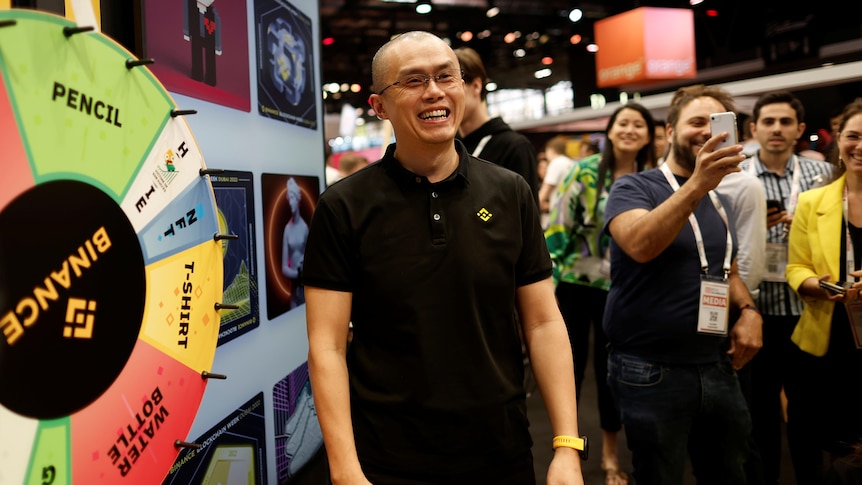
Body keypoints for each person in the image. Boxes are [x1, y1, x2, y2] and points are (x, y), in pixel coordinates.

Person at [303, 31, 585, 485]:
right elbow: (328, 346)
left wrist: (567, 445)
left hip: (501, 450)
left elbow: (543, 323)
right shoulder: (343, 206)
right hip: (387, 458)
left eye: (445, 77)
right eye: (413, 81)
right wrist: (345, 470)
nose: (434, 92)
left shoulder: (511, 191)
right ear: (379, 106)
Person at [602, 84, 763, 484]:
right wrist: (697, 185)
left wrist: (747, 310)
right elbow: (639, 245)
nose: (707, 132)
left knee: (730, 473)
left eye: (718, 125)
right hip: (650, 369)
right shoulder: (634, 187)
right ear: (670, 132)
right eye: (696, 123)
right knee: (660, 476)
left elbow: (726, 268)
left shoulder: (716, 200)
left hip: (716, 365)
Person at [545, 102, 656, 485]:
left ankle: (610, 456)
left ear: (649, 134)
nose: (629, 130)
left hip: (627, 290)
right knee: (569, 371)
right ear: (609, 131)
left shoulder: (652, 177)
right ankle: (567, 453)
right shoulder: (584, 172)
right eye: (622, 123)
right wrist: (549, 287)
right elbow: (558, 228)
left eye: (638, 124)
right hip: (576, 285)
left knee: (611, 376)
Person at [738, 90, 836, 485]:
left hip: (806, 310)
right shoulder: (736, 175)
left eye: (784, 122)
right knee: (758, 416)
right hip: (754, 310)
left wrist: (806, 230)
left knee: (808, 416)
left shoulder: (823, 177)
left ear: (799, 129)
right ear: (753, 128)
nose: (776, 129)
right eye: (768, 122)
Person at [785, 98, 862, 483]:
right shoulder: (812, 202)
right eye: (854, 136)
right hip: (825, 342)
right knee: (821, 441)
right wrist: (818, 285)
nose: (860, 146)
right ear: (840, 142)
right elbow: (796, 265)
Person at [455, 46, 540, 199]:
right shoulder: (451, 145)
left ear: (476, 86)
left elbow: (527, 216)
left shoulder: (514, 146)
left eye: (453, 86)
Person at [281, 176, 307, 309]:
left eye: (293, 198)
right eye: (289, 198)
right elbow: (284, 267)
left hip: (305, 288)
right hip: (293, 289)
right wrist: (297, 274)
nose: (290, 202)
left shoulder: (304, 228)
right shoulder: (287, 229)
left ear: (298, 199)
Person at [539, 135, 575, 225]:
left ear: (551, 149)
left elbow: (545, 191)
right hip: (571, 212)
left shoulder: (556, 163)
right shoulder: (571, 163)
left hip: (558, 215)